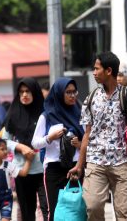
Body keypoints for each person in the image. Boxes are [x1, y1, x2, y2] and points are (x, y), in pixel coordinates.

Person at [68, 51, 127, 221]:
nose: (94, 73)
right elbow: (87, 133)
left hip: (123, 163)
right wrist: (79, 165)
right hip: (96, 162)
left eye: (97, 69)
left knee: (125, 213)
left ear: (108, 70)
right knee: (92, 206)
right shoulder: (91, 98)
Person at [32, 77, 84, 221]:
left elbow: (88, 140)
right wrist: (50, 137)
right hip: (54, 169)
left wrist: (80, 144)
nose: (72, 95)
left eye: (74, 92)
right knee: (54, 211)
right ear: (59, 94)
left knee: (76, 210)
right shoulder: (47, 116)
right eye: (68, 92)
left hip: (75, 167)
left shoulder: (80, 113)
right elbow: (35, 143)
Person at [3, 77, 47, 221]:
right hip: (22, 170)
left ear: (35, 92)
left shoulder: (45, 113)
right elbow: (3, 141)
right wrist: (19, 146)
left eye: (28, 91)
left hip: (43, 169)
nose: (24, 95)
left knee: (47, 208)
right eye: (21, 92)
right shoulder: (13, 114)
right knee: (27, 211)